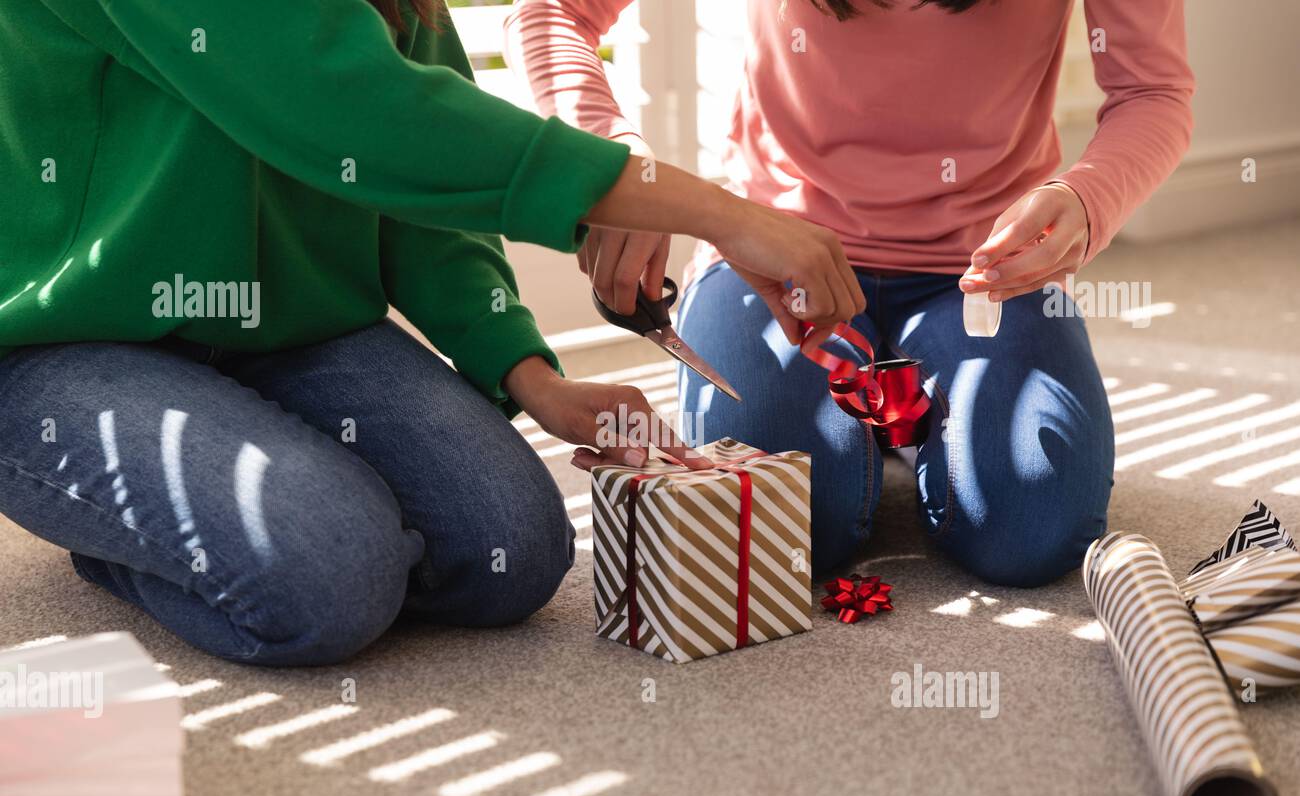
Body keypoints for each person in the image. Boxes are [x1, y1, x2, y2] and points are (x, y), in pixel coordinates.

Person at [0, 0, 863, 665]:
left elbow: (423, 203)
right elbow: (356, 111)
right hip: (75, 337)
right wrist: (719, 214)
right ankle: (112, 528)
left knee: (513, 555)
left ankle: (232, 498)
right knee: (327, 579)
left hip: (295, 332)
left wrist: (533, 378)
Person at [506, 0, 1195, 585]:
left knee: (1033, 528)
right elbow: (549, 12)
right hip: (774, 259)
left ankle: (901, 419)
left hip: (983, 271)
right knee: (788, 531)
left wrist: (1083, 198)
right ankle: (891, 425)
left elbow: (1152, 91)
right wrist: (615, 163)